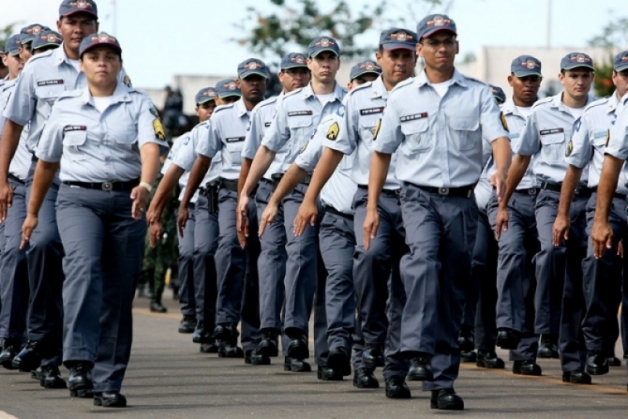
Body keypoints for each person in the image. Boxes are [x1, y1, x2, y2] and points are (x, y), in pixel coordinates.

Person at [367, 14, 511, 410]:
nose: (441, 48)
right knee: (423, 262)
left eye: (448, 41)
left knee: (451, 291)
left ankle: (442, 382)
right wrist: (370, 208)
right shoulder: (402, 97)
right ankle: (414, 350)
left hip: (462, 201)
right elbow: (381, 154)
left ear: (457, 47)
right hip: (416, 198)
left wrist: (500, 173)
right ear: (421, 50)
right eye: (433, 42)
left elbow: (500, 139)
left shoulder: (478, 94)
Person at [21, 32, 167, 408]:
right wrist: (34, 212)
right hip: (77, 200)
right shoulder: (65, 106)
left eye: (109, 56)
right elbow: (47, 163)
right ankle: (79, 360)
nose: (102, 62)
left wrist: (146, 185)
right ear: (82, 65)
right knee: (83, 268)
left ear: (120, 64)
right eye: (94, 56)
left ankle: (108, 379)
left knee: (118, 291)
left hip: (126, 200)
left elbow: (151, 147)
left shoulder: (139, 103)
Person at [0, 0, 126, 383]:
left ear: (96, 25)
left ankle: (58, 353)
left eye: (86, 21)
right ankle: (40, 340)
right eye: (72, 22)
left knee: (81, 266)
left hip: (86, 182)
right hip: (39, 180)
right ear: (60, 25)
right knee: (40, 246)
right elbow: (14, 125)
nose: (79, 28)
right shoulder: (38, 69)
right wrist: (1, 178)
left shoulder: (110, 71)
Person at [257, 58, 384, 384]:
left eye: (373, 81)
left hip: (375, 219)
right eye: (361, 81)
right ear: (351, 88)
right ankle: (333, 351)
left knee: (367, 288)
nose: (365, 88)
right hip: (335, 218)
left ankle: (361, 358)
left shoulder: (388, 125)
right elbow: (301, 164)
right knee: (338, 278)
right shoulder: (335, 123)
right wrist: (274, 200)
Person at [237, 36, 346, 379]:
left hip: (342, 191)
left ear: (338, 64)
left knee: (335, 272)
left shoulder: (352, 101)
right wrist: (247, 192)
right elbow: (267, 150)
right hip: (297, 190)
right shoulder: (289, 104)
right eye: (319, 58)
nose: (325, 63)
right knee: (299, 255)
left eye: (331, 57)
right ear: (311, 64)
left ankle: (331, 350)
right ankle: (295, 335)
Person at [497, 52, 596, 384]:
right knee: (548, 257)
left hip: (591, 198)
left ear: (592, 79)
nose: (579, 81)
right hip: (550, 196)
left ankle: (573, 362)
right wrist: (503, 203)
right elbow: (521, 159)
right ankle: (538, 333)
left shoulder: (602, 114)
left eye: (585, 75)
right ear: (562, 77)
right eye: (573, 75)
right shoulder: (542, 112)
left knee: (579, 281)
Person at [180, 61, 268, 361]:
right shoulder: (222, 117)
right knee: (230, 249)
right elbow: (202, 161)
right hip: (231, 193)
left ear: (267, 83)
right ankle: (225, 327)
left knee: (261, 262)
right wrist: (185, 201)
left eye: (259, 79)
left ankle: (256, 339)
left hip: (268, 193)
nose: (254, 85)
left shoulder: (275, 112)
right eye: (248, 80)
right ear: (239, 83)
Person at [555, 51, 628, 377]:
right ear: (613, 77)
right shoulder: (598, 114)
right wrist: (575, 216)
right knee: (596, 264)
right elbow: (579, 167)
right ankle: (596, 343)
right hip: (606, 201)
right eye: (625, 74)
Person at [239, 52, 311, 368]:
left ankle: (293, 334)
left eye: (302, 72)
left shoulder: (319, 106)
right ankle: (268, 330)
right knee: (270, 257)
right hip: (268, 189)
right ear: (280, 76)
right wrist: (244, 196)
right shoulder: (265, 110)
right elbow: (252, 156)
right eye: (292, 72)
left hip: (302, 189)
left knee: (298, 255)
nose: (298, 78)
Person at [147, 86, 221, 350]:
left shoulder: (232, 131)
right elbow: (169, 179)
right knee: (191, 255)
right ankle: (192, 313)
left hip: (223, 204)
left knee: (213, 258)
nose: (212, 111)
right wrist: (155, 213)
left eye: (216, 105)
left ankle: (210, 320)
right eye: (206, 106)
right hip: (191, 206)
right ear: (197, 111)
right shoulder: (188, 140)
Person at [487, 57, 544, 377]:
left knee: (537, 272)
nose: (529, 83)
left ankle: (526, 352)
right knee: (512, 252)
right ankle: (506, 324)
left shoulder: (550, 112)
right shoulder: (497, 118)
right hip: (508, 199)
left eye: (534, 78)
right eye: (523, 78)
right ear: (510, 80)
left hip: (545, 198)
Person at [459, 84, 509, 371]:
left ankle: (486, 344)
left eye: (496, 104)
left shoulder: (507, 135)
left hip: (504, 210)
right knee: (474, 265)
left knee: (492, 277)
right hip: (474, 209)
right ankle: (463, 332)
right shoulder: (468, 137)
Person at [0, 35, 31, 374]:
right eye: (19, 54)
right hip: (10, 185)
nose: (24, 59)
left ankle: (25, 336)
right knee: (11, 256)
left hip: (38, 184)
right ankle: (10, 334)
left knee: (25, 255)